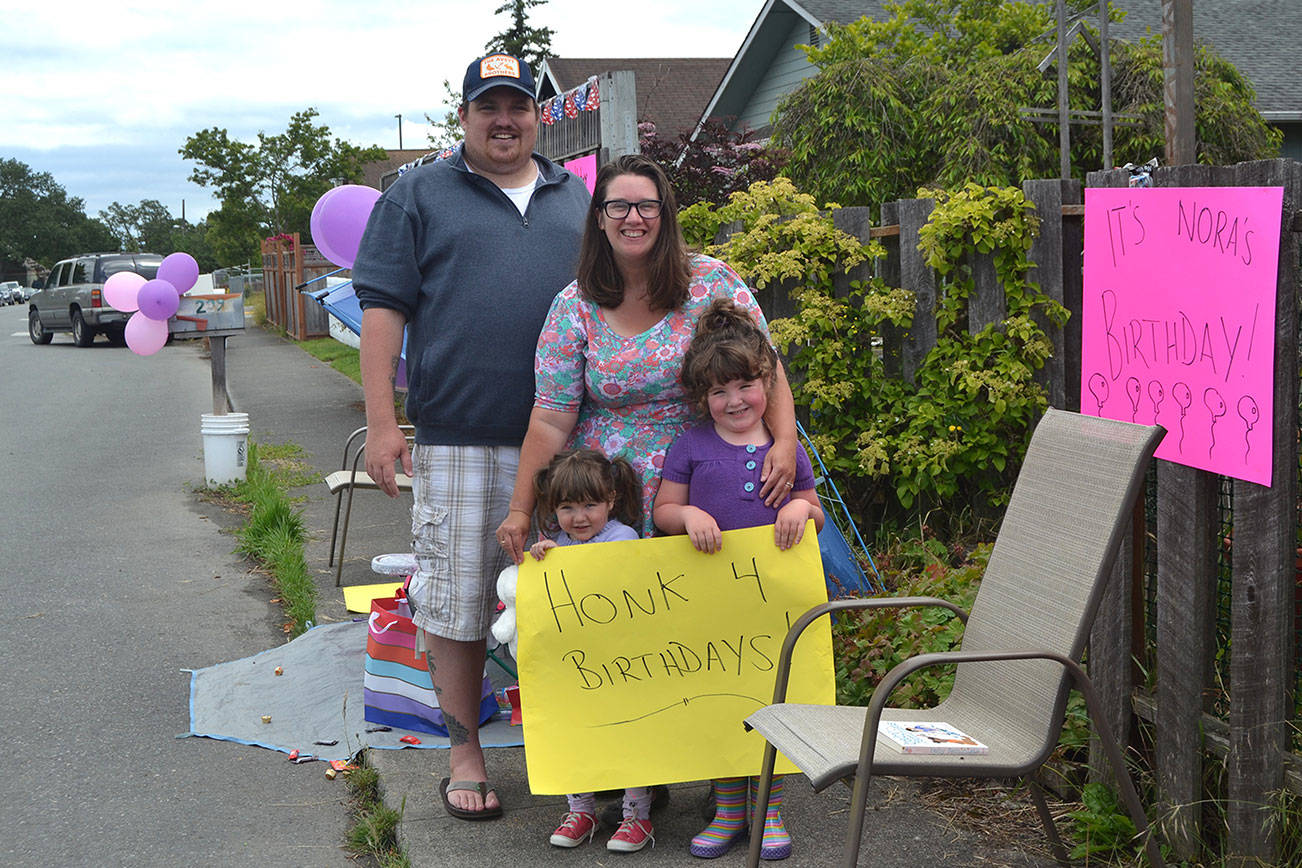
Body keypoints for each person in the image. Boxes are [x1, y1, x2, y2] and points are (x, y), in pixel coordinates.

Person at [351, 52, 590, 820]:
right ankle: (465, 751)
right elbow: (382, 313)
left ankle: (580, 753)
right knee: (455, 603)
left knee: (566, 599)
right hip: (457, 436)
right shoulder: (418, 194)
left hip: (570, 446)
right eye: (488, 106)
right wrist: (385, 424)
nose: (504, 120)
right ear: (463, 117)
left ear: (535, 115)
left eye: (517, 105)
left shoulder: (573, 198)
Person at [495, 152, 801, 563]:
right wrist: (520, 509)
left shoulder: (711, 281)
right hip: (604, 498)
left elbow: (767, 370)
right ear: (600, 218)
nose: (633, 218)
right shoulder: (574, 306)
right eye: (618, 206)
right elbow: (551, 416)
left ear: (665, 214)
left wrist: (784, 442)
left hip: (708, 480)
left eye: (647, 206)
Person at [652, 298, 826, 861]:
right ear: (703, 397)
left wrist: (801, 511)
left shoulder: (784, 449)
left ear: (765, 383)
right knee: (718, 704)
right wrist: (689, 517)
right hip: (709, 606)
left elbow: (811, 505)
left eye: (746, 386)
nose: (734, 402)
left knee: (767, 701)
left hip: (770, 607)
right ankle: (729, 811)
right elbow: (662, 512)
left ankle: (769, 811)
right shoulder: (691, 446)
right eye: (719, 392)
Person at [524, 449, 655, 852]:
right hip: (575, 666)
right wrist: (541, 558)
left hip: (622, 663)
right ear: (553, 508)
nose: (579, 517)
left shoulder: (623, 538)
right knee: (574, 733)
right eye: (567, 507)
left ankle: (638, 817)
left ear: (611, 501)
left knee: (629, 733)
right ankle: (581, 809)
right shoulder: (557, 543)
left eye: (589, 505)